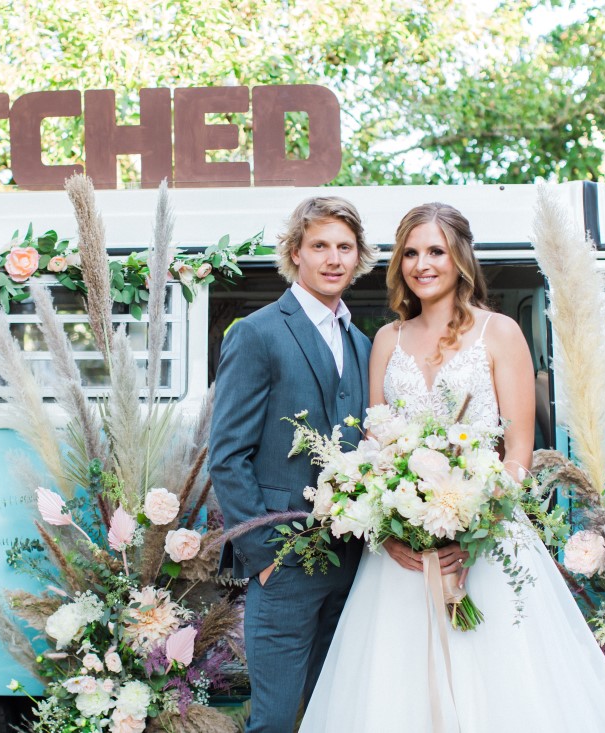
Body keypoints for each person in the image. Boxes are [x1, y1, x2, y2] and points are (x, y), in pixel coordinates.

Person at [299, 203, 605, 732]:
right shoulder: (387, 342)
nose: (422, 264)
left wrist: (473, 522)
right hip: (401, 559)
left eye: (436, 251)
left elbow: (518, 453)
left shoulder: (500, 333)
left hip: (485, 545)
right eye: (411, 253)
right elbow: (374, 446)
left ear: (459, 257)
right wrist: (391, 526)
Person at [210, 196, 379, 733]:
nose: (333, 258)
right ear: (295, 253)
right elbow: (227, 455)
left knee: (334, 717)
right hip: (284, 563)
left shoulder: (361, 341)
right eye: (320, 245)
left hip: (353, 564)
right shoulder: (257, 333)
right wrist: (265, 556)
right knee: (276, 722)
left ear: (358, 258)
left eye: (344, 247)